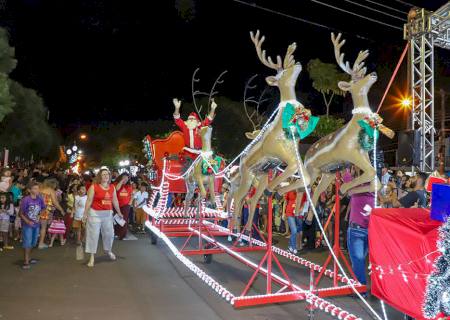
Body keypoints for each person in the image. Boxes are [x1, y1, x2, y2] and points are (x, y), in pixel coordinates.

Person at [82, 168, 122, 267]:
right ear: (100, 176)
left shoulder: (112, 187)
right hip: (95, 214)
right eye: (103, 174)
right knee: (93, 235)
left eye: (107, 174)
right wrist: (85, 214)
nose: (105, 176)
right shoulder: (94, 187)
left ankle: (108, 250)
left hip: (108, 214)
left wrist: (119, 212)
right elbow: (89, 201)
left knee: (109, 234)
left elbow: (115, 201)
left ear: (109, 176)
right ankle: (92, 257)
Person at [347, 190, 375, 289]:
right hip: (370, 228)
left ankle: (360, 289)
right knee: (362, 260)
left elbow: (346, 188)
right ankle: (371, 287)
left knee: (358, 260)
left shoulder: (356, 185)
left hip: (357, 229)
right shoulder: (374, 185)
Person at [19, 182, 46, 269]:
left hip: (36, 224)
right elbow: (21, 213)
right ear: (29, 190)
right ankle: (26, 261)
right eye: (35, 188)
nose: (37, 190)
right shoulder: (26, 200)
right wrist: (27, 221)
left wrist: (39, 215)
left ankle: (29, 258)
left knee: (33, 242)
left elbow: (43, 208)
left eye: (38, 188)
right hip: (27, 225)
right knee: (27, 242)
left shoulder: (40, 199)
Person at [38, 179, 66, 249]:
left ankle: (35, 241)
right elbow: (55, 203)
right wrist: (61, 210)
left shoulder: (40, 189)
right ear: (53, 184)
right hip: (45, 211)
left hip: (37, 210)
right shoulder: (51, 190)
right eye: (55, 185)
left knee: (38, 227)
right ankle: (41, 243)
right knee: (43, 228)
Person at [114, 173, 133, 240]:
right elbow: (117, 189)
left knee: (124, 219)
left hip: (125, 205)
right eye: (124, 177)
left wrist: (130, 203)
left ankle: (122, 235)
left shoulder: (129, 186)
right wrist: (122, 181)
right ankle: (116, 232)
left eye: (127, 178)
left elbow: (131, 195)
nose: (125, 179)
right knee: (116, 218)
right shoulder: (116, 184)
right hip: (117, 205)